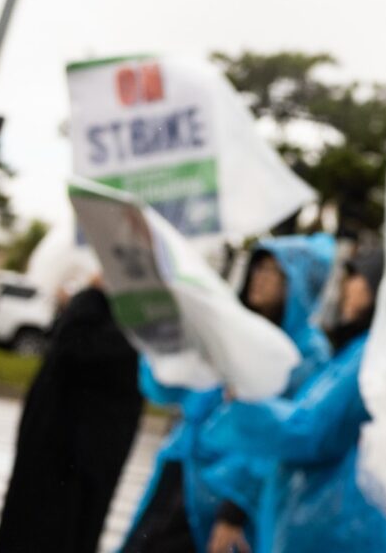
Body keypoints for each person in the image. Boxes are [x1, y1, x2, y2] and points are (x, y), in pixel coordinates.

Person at [121, 236, 334, 553]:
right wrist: (162, 344)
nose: (259, 278)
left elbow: (280, 440)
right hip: (182, 471)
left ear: (299, 284)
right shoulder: (234, 330)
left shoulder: (307, 353)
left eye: (273, 272)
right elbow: (171, 389)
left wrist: (234, 507)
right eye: (258, 268)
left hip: (226, 494)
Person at [200, 249, 386, 553]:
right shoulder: (353, 351)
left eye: (360, 277)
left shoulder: (362, 355)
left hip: (324, 522)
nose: (350, 286)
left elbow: (310, 430)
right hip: (297, 513)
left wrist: (246, 406)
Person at [0, 280, 143, 553]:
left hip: (81, 448)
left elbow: (76, 347)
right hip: (60, 443)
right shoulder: (102, 305)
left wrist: (88, 295)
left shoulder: (114, 310)